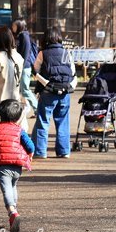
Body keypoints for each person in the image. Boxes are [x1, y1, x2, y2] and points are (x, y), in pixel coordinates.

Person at [0, 99, 34, 232]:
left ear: (0, 114)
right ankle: (14, 208)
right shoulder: (19, 130)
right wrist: (30, 154)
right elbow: (30, 145)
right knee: (13, 186)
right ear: (18, 116)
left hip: (2, 166)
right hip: (17, 166)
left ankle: (12, 211)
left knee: (6, 189)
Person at [32, 25, 76, 159]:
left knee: (43, 121)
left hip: (48, 92)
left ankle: (40, 152)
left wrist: (46, 83)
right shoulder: (67, 52)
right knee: (63, 121)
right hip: (65, 92)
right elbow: (73, 72)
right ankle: (64, 151)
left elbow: (35, 71)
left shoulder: (42, 53)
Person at [12, 19, 38, 117]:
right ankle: (27, 107)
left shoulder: (24, 35)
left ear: (19, 26)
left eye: (14, 25)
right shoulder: (21, 35)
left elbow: (26, 52)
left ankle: (37, 109)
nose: (12, 27)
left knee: (25, 90)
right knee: (22, 90)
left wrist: (21, 65)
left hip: (24, 66)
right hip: (23, 66)